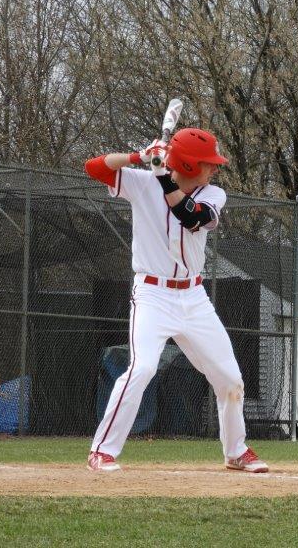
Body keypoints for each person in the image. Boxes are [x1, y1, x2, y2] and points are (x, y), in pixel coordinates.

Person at [83, 127, 268, 473]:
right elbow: (94, 168)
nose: (214, 168)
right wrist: (138, 157)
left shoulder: (213, 193)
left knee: (230, 380)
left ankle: (236, 451)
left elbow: (191, 216)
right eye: (207, 163)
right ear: (187, 163)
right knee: (142, 368)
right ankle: (102, 451)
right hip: (152, 295)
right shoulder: (143, 181)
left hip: (193, 297)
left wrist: (163, 177)